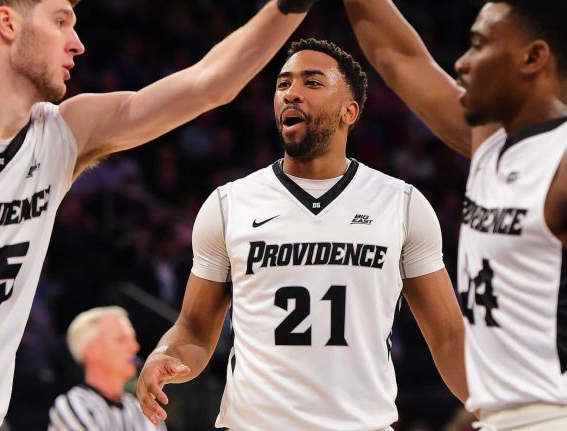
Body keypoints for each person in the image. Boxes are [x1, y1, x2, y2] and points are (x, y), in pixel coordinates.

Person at [0, 0, 319, 429]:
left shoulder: (64, 134)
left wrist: (290, 5)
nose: (78, 44)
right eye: (60, 22)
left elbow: (208, 84)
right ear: (8, 23)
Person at [342, 0, 567, 430]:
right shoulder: (489, 145)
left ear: (533, 57)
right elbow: (399, 58)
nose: (462, 63)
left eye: (479, 45)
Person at [136, 38, 468, 430]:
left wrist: (504, 409)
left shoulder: (401, 204)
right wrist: (164, 354)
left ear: (350, 111)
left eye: (312, 83)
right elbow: (194, 328)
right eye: (282, 84)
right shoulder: (230, 203)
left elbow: (448, 336)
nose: (291, 93)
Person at [47, 306, 162, 430]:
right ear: (92, 350)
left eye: (133, 339)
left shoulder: (142, 412)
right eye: (121, 339)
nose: (135, 347)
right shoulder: (73, 405)